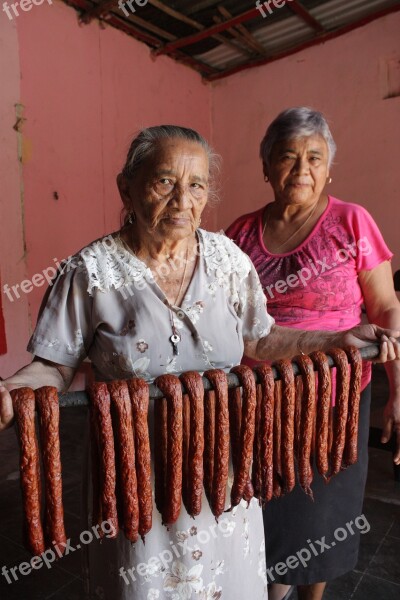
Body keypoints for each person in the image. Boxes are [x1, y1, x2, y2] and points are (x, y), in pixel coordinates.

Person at [0, 125, 398, 600]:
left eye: (196, 185)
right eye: (164, 182)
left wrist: (337, 337)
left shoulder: (228, 260)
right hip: (135, 473)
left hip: (224, 472)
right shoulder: (90, 271)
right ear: (126, 187)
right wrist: (12, 388)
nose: (182, 200)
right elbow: (53, 367)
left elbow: (264, 337)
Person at [226, 107, 400, 600]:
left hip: (336, 398)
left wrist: (397, 392)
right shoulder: (239, 235)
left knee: (320, 511)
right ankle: (270, 589)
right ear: (266, 167)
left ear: (328, 168)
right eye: (287, 157)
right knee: (265, 505)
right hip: (259, 398)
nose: (301, 169)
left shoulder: (351, 222)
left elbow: (387, 306)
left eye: (314, 157)